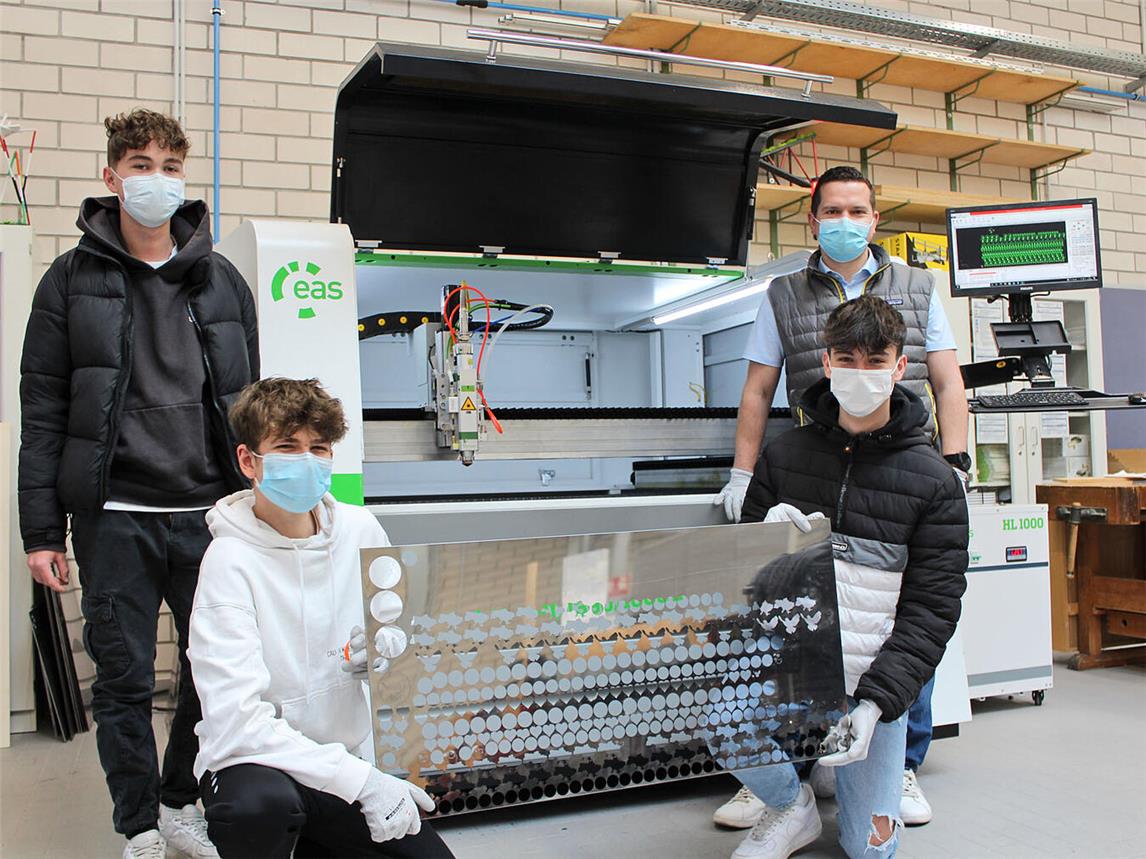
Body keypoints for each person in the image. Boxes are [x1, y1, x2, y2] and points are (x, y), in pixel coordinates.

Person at [18, 109, 258, 859]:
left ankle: (180, 799)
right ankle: (140, 824)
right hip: (114, 515)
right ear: (112, 176)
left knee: (211, 672)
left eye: (170, 166)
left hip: (210, 514)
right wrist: (40, 532)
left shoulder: (221, 279)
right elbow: (43, 411)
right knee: (122, 680)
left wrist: (261, 503)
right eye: (141, 165)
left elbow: (250, 404)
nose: (158, 179)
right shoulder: (69, 280)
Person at [712, 165, 969, 826]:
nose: (846, 222)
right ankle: (782, 774)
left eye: (858, 211)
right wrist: (745, 473)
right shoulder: (784, 294)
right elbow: (757, 389)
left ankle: (901, 760)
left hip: (898, 466)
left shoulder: (918, 286)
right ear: (814, 220)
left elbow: (947, 381)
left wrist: (954, 463)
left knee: (900, 607)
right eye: (833, 211)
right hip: (815, 462)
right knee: (802, 616)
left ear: (875, 219)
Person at [188, 378, 455, 859]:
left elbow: (397, 638)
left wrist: (382, 658)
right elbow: (239, 724)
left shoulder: (360, 529)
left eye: (318, 448)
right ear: (248, 460)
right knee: (257, 808)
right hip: (259, 765)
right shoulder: (228, 562)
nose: (306, 461)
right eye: (287, 447)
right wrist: (365, 783)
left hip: (340, 757)